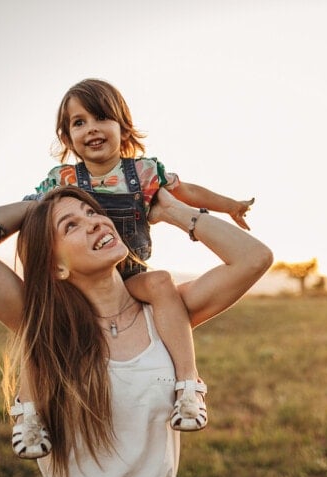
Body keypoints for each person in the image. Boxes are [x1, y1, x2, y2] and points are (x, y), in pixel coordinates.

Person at [0, 186, 272, 477]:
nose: (95, 221)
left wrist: (173, 211)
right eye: (71, 225)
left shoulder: (167, 311)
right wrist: (42, 203)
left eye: (93, 211)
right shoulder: (42, 321)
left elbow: (254, 258)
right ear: (57, 266)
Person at [16, 79, 255, 452]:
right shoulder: (62, 181)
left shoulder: (142, 173)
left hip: (129, 276)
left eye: (101, 118)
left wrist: (230, 205)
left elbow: (186, 191)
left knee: (161, 282)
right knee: (41, 320)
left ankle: (189, 385)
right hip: (79, 283)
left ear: (123, 127)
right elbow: (28, 213)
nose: (91, 128)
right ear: (67, 137)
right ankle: (28, 415)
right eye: (78, 123)